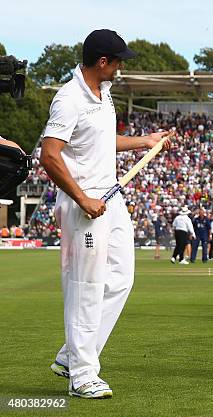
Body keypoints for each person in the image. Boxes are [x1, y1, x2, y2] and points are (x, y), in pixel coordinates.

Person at [40, 29, 170, 399]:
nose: (120, 68)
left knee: (120, 280)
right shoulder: (68, 99)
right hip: (85, 205)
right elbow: (50, 154)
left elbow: (99, 140)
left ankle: (72, 355)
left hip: (110, 200)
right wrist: (82, 199)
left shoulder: (105, 93)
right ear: (102, 62)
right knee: (86, 287)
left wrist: (143, 142)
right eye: (118, 62)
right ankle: (82, 375)